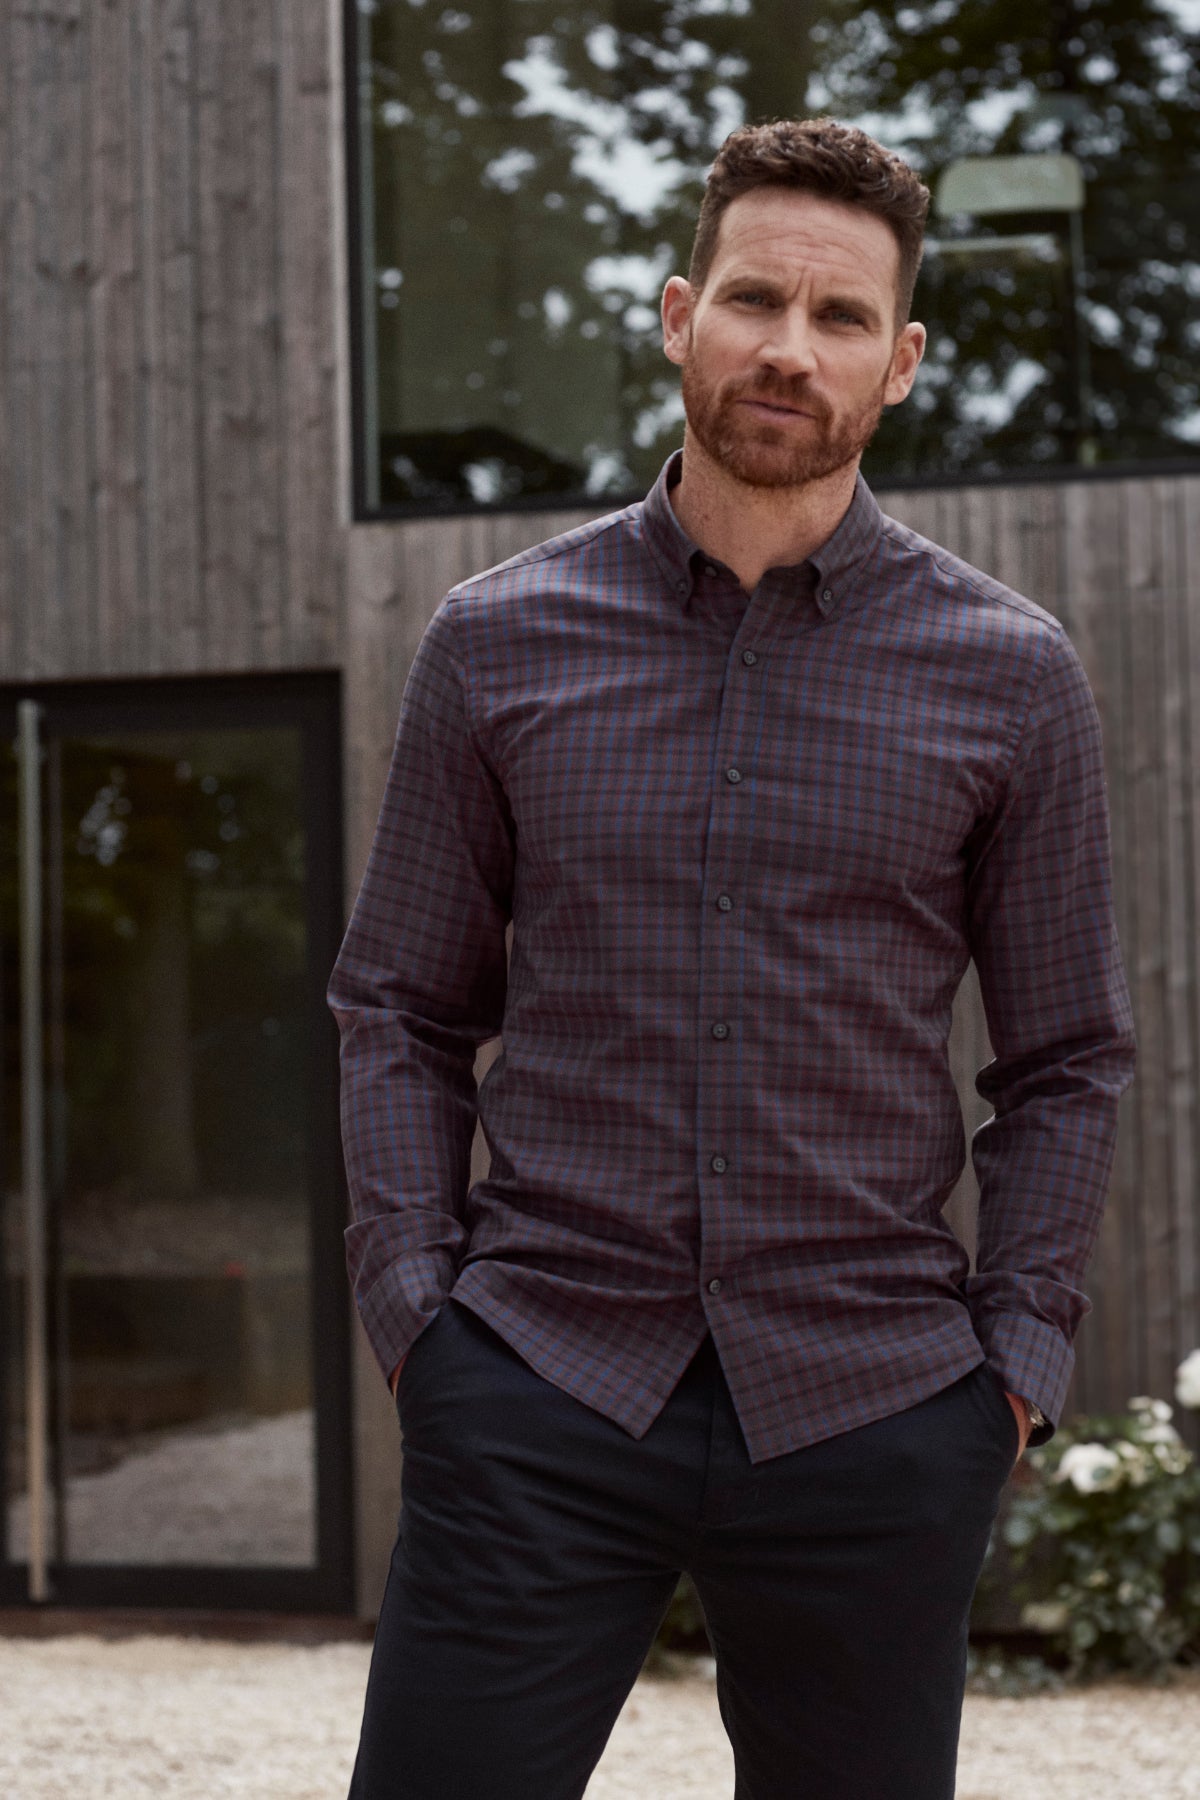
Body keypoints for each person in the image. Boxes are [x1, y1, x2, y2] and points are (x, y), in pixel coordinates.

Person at [328, 117, 1135, 1799]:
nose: (791, 348)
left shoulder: (1010, 675)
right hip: (537, 1385)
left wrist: (1010, 1374)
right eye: (757, 299)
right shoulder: (495, 642)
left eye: (842, 317)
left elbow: (1068, 1061)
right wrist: (420, 1320)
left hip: (875, 1410)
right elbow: (398, 1006)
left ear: (900, 361)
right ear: (680, 315)